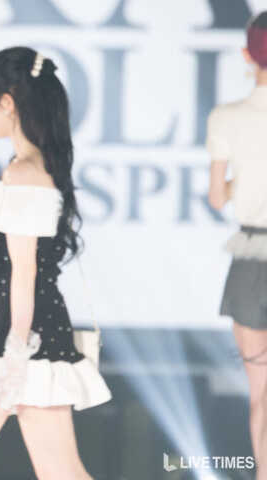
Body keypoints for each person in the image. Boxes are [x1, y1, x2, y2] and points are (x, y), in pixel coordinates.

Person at [0, 47, 111, 480]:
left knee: (53, 470)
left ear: (8, 102)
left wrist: (17, 350)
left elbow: (25, 272)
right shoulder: (27, 167)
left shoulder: (25, 173)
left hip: (25, 335)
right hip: (21, 331)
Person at [207, 12, 267, 479]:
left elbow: (216, 197)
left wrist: (243, 180)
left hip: (252, 257)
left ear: (248, 54)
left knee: (262, 392)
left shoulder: (227, 117)